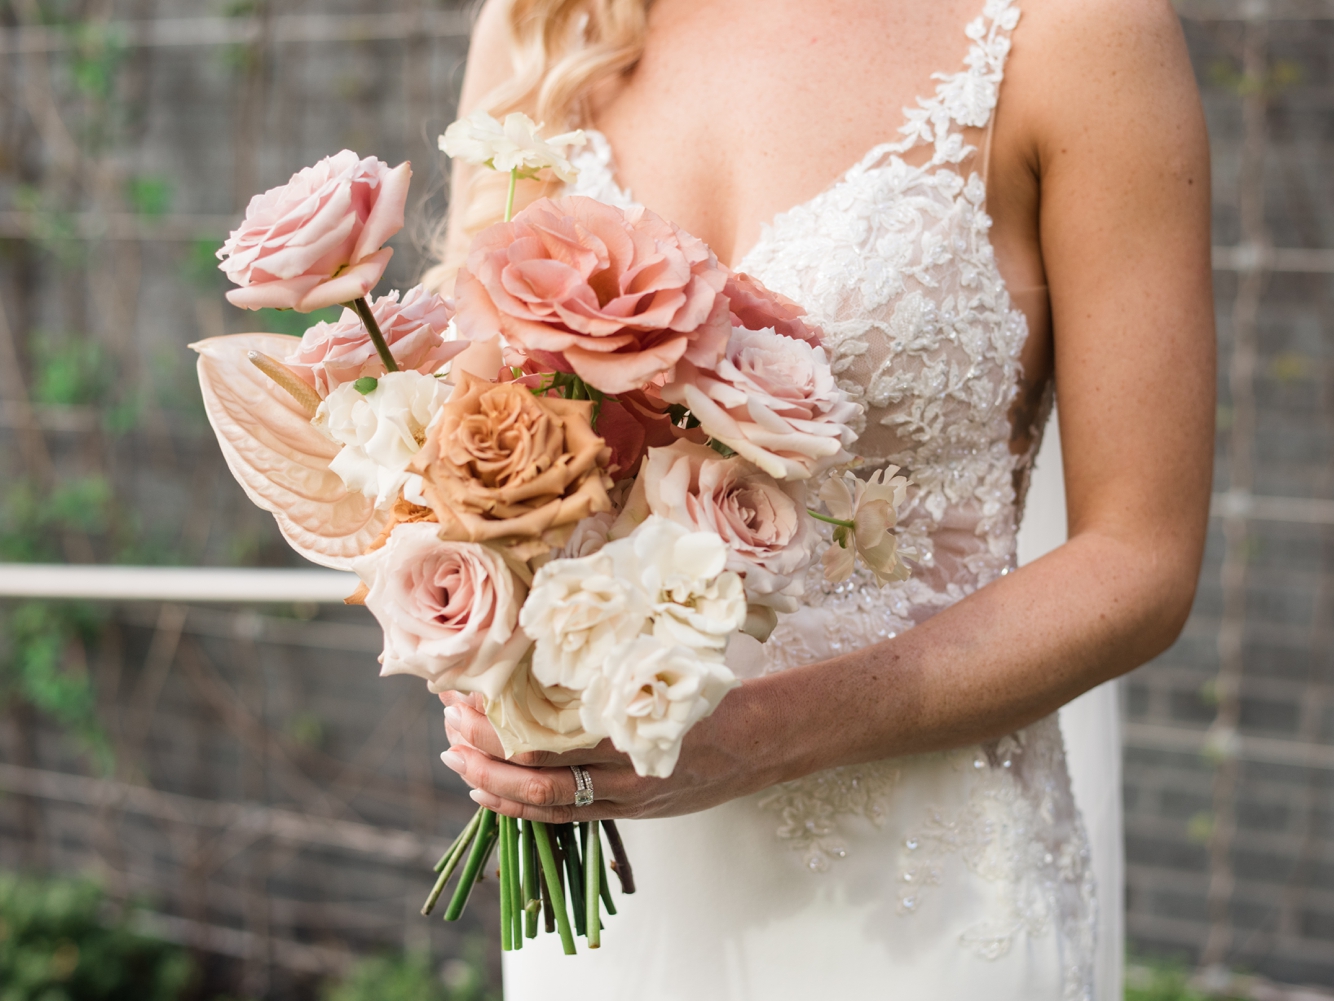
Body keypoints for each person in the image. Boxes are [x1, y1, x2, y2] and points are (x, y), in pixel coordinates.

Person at [432, 0, 1214, 997]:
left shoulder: (1077, 32)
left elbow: (1141, 559)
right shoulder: (548, 23)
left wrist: (761, 731)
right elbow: (472, 443)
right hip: (615, 899)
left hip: (924, 898)